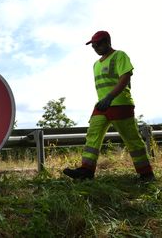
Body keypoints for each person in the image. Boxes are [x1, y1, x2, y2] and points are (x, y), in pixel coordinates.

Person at [63, 31, 155, 182]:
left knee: (131, 139)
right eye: (93, 45)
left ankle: (146, 174)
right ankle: (86, 171)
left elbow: (125, 78)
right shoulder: (95, 65)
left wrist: (110, 97)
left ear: (107, 42)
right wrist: (104, 100)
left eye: (98, 44)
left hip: (120, 104)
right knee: (93, 135)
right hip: (102, 105)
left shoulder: (120, 56)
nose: (95, 47)